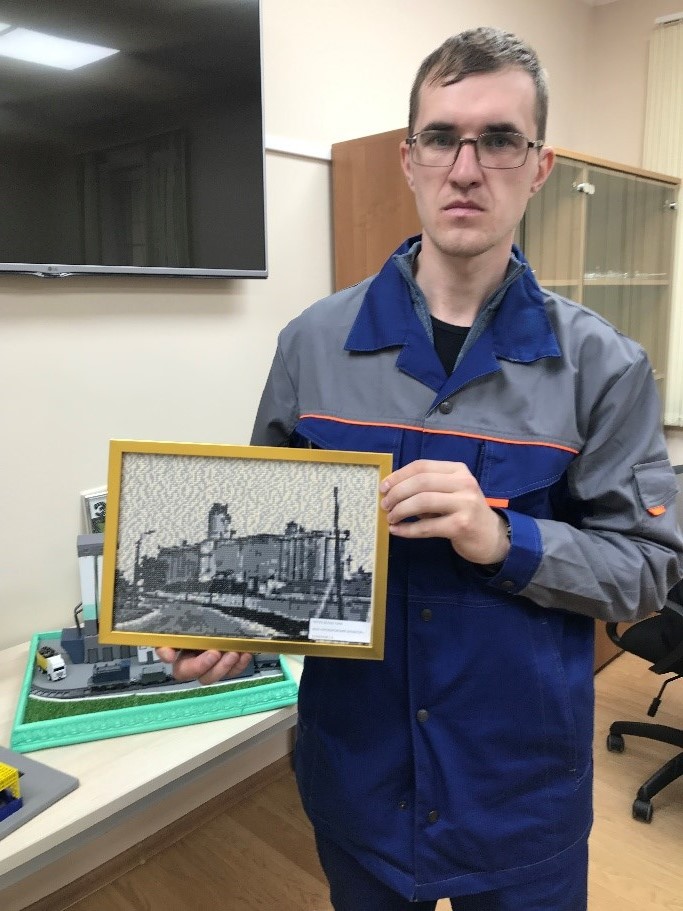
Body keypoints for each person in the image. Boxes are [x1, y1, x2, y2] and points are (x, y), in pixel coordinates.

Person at [157, 26, 683, 910]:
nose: (465, 169)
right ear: (409, 160)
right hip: (357, 777)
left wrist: (505, 539)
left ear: (539, 166)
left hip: (518, 794)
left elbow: (647, 572)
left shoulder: (604, 367)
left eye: (499, 140)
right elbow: (262, 529)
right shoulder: (310, 345)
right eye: (441, 137)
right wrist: (227, 631)